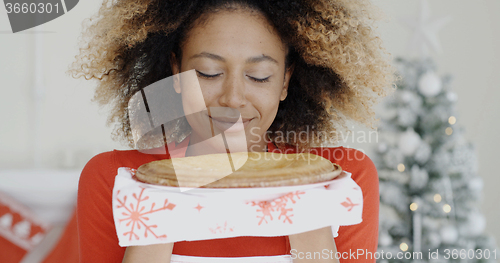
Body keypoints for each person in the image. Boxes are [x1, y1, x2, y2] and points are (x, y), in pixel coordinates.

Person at [72, 0, 397, 262]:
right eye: (208, 72)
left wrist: (307, 196)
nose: (233, 98)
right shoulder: (115, 178)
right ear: (176, 73)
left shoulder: (344, 179)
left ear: (285, 80)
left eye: (258, 76)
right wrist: (162, 189)